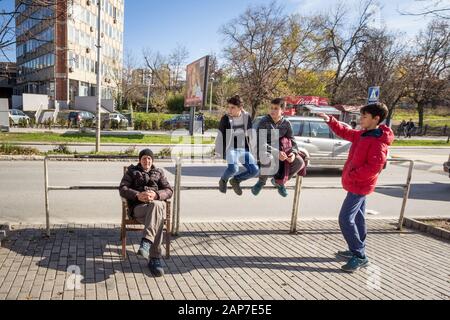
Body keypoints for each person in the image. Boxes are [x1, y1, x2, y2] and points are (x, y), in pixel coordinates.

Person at [317, 102, 394, 273]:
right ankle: (356, 250)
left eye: (364, 117)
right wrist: (330, 120)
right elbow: (346, 132)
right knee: (358, 219)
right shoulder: (365, 134)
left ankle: (359, 256)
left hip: (359, 186)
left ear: (376, 119)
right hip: (357, 185)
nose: (361, 119)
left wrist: (352, 175)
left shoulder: (378, 142)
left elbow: (374, 168)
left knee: (345, 219)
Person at [119, 149, 173, 277]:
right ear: (139, 160)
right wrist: (138, 195)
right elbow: (123, 188)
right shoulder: (132, 172)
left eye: (149, 158)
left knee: (156, 205)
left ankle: (146, 243)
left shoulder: (159, 172)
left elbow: (169, 190)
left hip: (154, 207)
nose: (146, 161)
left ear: (152, 160)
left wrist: (156, 194)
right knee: (158, 215)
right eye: (144, 158)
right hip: (139, 208)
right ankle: (155, 259)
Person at [251, 98, 307, 198]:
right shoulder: (264, 122)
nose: (272, 110)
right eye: (271, 108)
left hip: (282, 151)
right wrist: (277, 153)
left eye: (276, 108)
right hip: (264, 151)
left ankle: (279, 182)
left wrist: (293, 154)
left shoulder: (286, 123)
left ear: (282, 110)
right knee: (269, 158)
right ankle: (261, 182)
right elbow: (261, 143)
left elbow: (293, 141)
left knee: (300, 162)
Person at [215, 95, 259, 195]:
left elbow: (250, 133)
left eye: (233, 107)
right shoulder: (225, 119)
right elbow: (220, 135)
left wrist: (255, 150)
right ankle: (223, 180)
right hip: (230, 148)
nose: (229, 110)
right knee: (234, 168)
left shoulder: (246, 116)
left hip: (243, 148)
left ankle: (236, 180)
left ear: (240, 108)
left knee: (254, 170)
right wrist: (218, 151)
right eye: (229, 107)